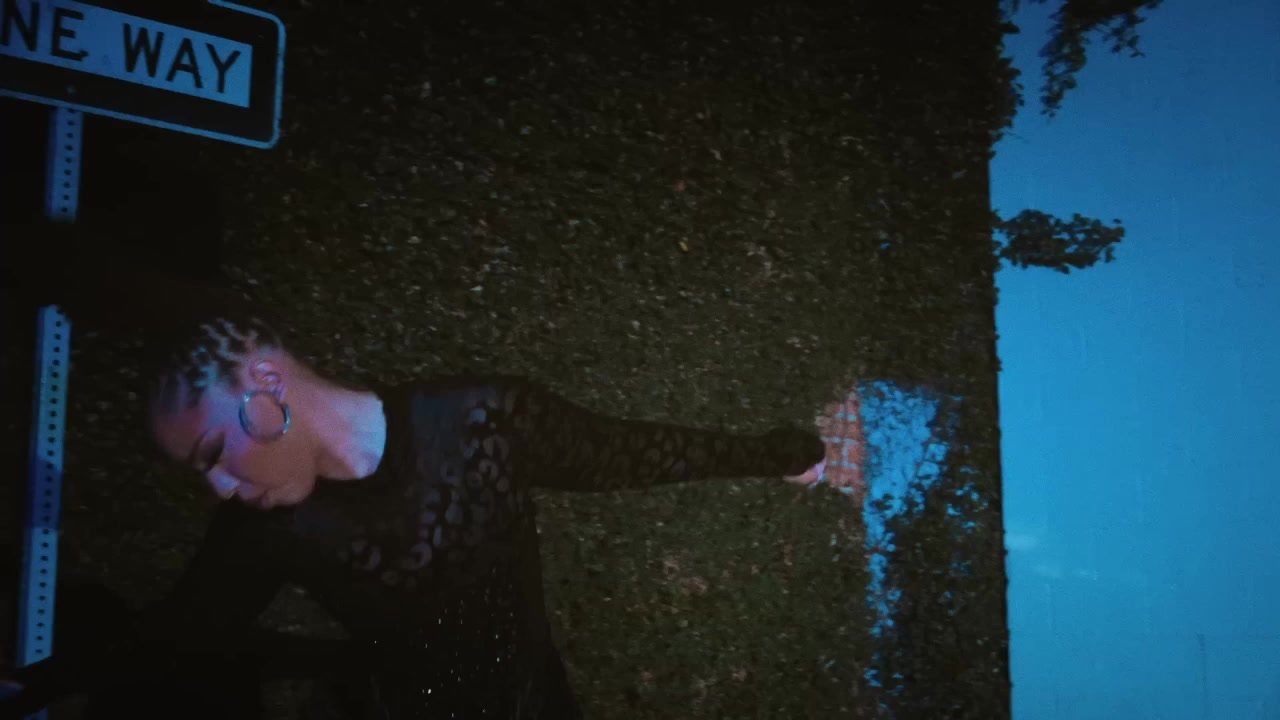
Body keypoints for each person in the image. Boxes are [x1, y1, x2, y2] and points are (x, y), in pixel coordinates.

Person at [0, 305, 826, 719]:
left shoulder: (480, 421)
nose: (217, 486)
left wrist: (777, 454)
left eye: (214, 452)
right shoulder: (261, 529)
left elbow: (631, 454)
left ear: (265, 385)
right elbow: (174, 636)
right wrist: (32, 683)